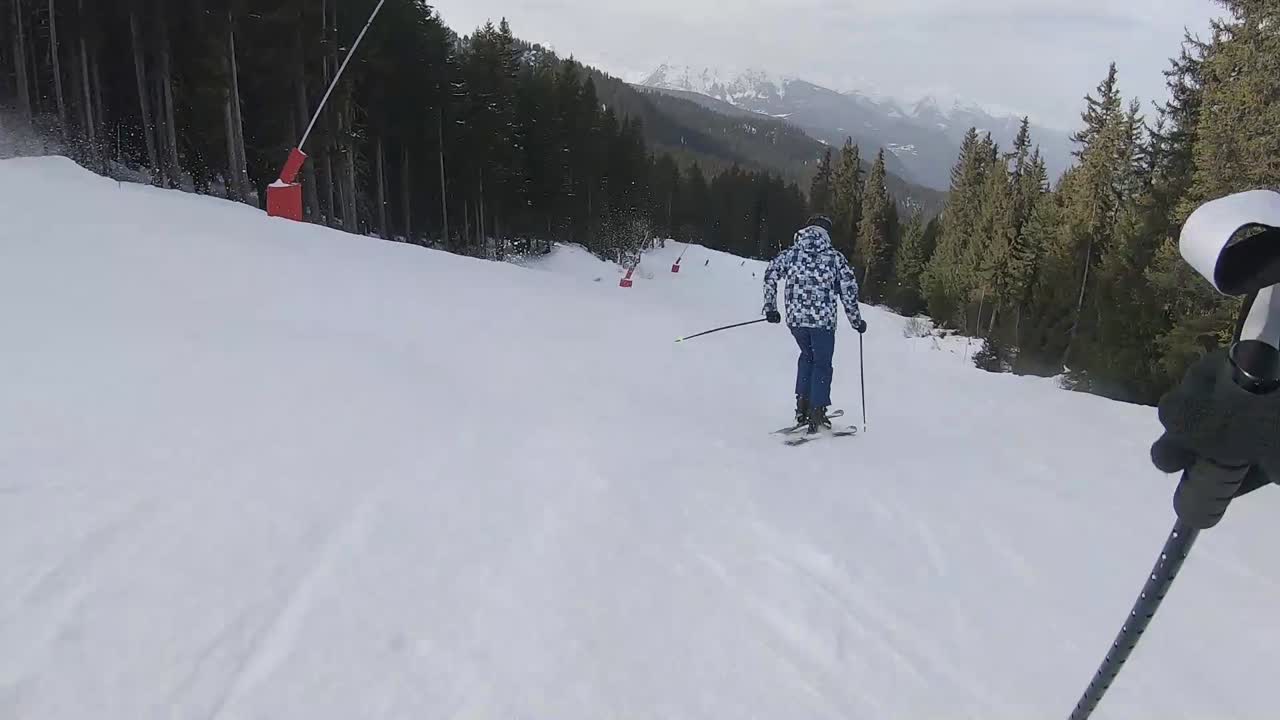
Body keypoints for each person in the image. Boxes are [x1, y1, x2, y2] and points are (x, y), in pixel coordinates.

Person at [762, 214, 867, 433]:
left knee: (807, 357)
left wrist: (771, 307)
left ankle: (802, 407)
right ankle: (817, 412)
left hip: (796, 321)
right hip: (823, 323)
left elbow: (770, 273)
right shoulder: (834, 258)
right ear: (827, 234)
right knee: (821, 363)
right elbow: (848, 291)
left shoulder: (791, 254)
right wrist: (856, 321)